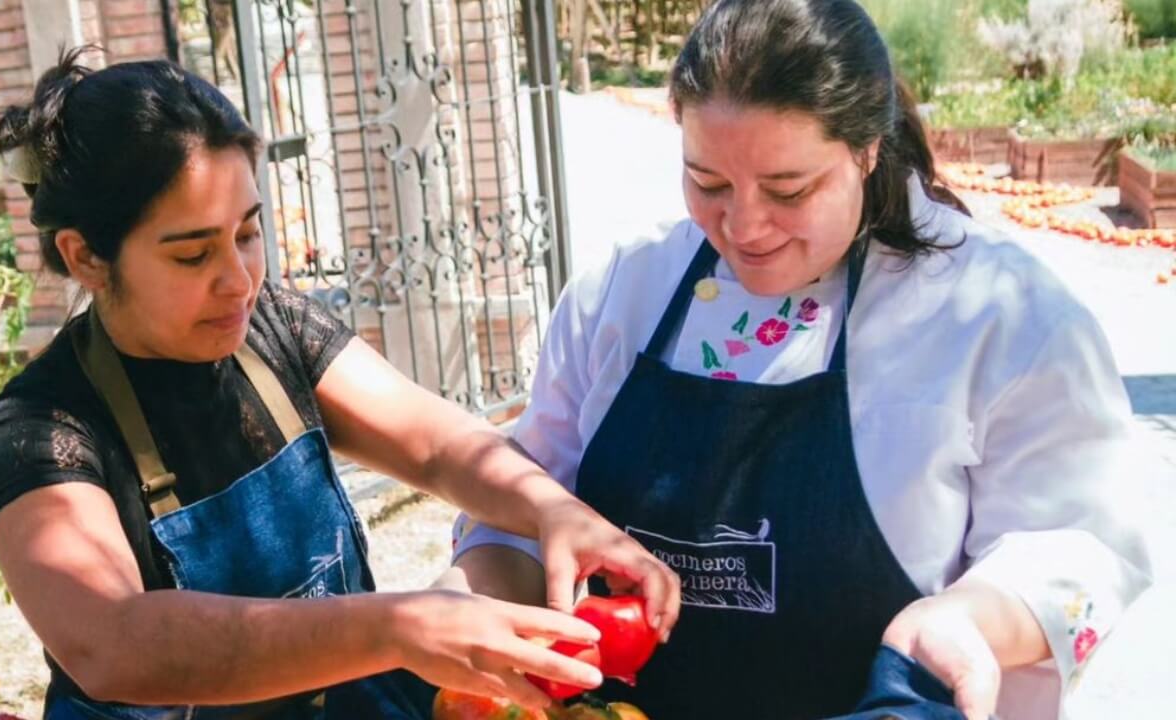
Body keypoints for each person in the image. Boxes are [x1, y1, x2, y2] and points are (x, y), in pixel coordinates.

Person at [446, 1, 1157, 718]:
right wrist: (491, 622)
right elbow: (514, 510)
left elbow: (1085, 549)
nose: (744, 226)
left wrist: (971, 617)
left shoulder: (1001, 316)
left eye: (790, 190)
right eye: (709, 183)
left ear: (868, 149)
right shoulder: (620, 294)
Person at [0, 49, 681, 720]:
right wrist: (395, 627)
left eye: (248, 234)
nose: (240, 280)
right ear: (86, 257)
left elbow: (435, 444)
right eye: (193, 254)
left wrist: (553, 512)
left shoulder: (273, 329)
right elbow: (114, 642)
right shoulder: (39, 430)